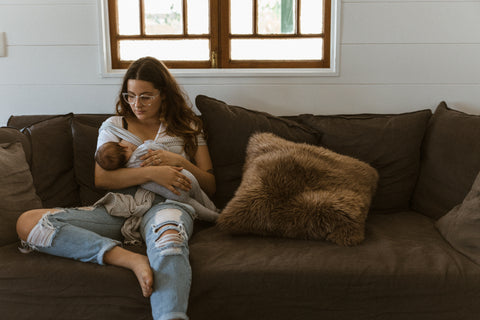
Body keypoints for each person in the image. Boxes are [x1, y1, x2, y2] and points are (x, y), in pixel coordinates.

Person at [15, 56, 216, 320]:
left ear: (164, 95)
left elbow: (210, 184)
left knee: (170, 242)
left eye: (146, 97)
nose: (136, 104)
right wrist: (152, 172)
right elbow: (103, 179)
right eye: (130, 96)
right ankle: (129, 259)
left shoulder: (189, 126)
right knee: (28, 222)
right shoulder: (114, 125)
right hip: (122, 208)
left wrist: (177, 161)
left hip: (169, 205)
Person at [95, 139, 218, 223]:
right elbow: (157, 147)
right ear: (123, 145)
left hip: (174, 194)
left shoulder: (131, 174)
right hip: (185, 177)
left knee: (195, 206)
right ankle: (214, 210)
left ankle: (215, 218)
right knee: (200, 196)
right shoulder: (142, 151)